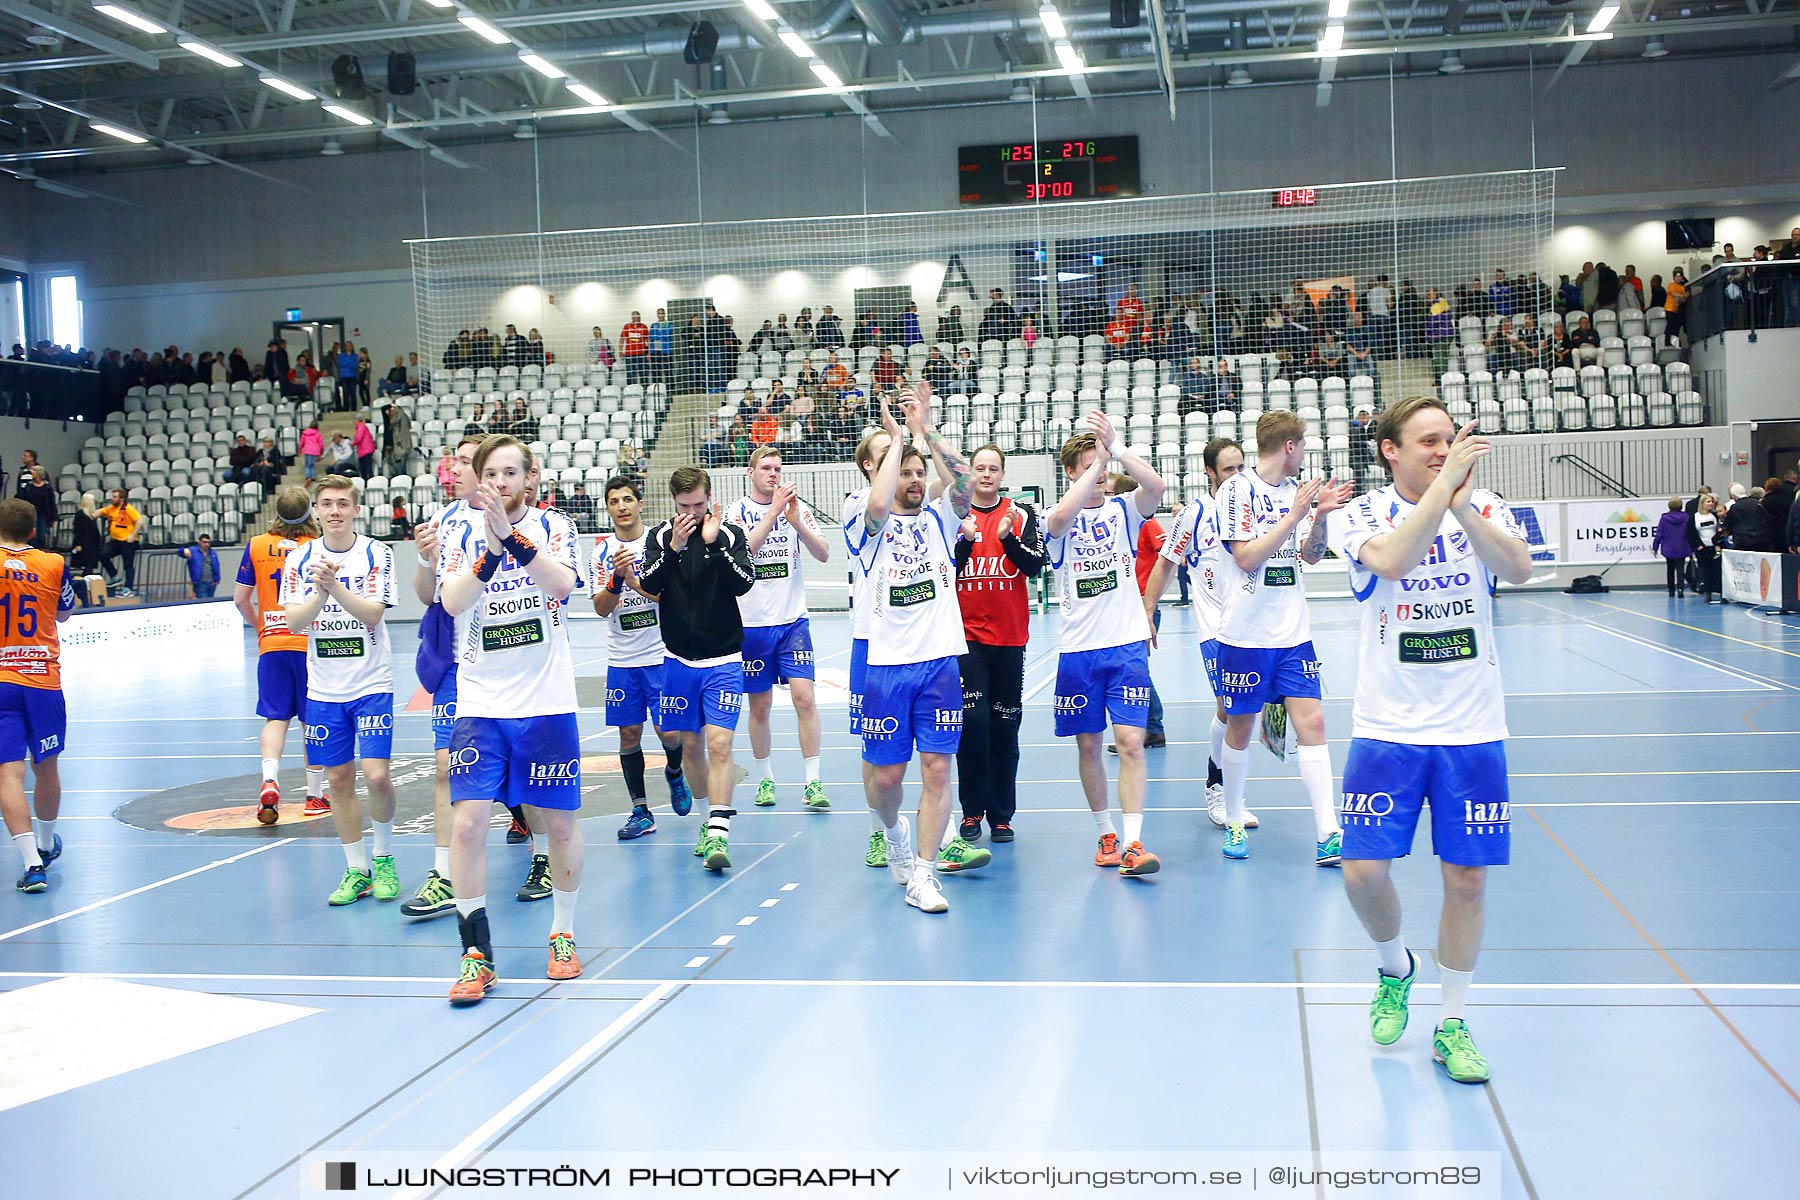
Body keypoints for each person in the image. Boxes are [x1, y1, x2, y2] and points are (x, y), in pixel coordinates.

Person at [1337, 397, 1533, 1086]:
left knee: (1468, 880)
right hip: (1387, 728)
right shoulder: (1358, 513)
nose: (1442, 449)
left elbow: (1519, 569)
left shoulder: (1487, 506)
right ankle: (1396, 968)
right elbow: (1392, 559)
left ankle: (1452, 1023)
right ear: (1390, 449)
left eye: (1449, 440)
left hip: (1472, 729)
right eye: (1427, 441)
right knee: (1362, 873)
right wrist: (1443, 491)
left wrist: (1462, 504)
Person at [436, 435, 587, 1003]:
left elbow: (564, 584)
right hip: (482, 703)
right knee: (469, 824)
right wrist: (492, 549)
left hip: (546, 701)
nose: (499, 482)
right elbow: (451, 601)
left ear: (529, 477)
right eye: (490, 473)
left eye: (509, 472)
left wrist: (514, 540)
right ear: (476, 480)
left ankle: (563, 935)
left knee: (561, 824)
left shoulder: (558, 526)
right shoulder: (458, 529)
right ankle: (476, 953)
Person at [847, 388, 977, 913]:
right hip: (886, 666)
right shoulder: (866, 520)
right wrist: (898, 440)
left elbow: (967, 482)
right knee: (885, 780)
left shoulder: (942, 519)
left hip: (940, 661)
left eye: (920, 472)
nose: (915, 480)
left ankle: (924, 874)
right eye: (905, 471)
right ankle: (894, 833)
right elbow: (879, 503)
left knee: (939, 771)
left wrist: (925, 430)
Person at [1213, 410, 1353, 865]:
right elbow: (1248, 558)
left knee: (1312, 724)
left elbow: (1310, 557)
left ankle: (1328, 832)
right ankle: (1234, 819)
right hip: (1245, 635)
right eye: (1304, 445)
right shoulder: (1236, 490)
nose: (1304, 454)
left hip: (1293, 633)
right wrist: (1295, 516)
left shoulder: (1297, 493)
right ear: (1289, 446)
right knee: (1242, 727)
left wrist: (1320, 519)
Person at [1042, 413, 1166, 878]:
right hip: (1079, 651)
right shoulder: (1056, 519)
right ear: (1071, 471)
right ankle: (1106, 832)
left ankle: (1133, 842)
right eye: (1087, 466)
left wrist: (1117, 449)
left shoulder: (1122, 511)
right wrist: (1097, 465)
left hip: (1125, 645)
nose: (1099, 475)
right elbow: (1057, 518)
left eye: (1102, 466)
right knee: (1089, 747)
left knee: (1131, 742)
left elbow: (1155, 487)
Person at [281, 476, 400, 906]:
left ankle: (384, 855)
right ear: (315, 510)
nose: (334, 511)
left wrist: (336, 586)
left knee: (377, 776)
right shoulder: (299, 559)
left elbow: (372, 614)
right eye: (327, 504)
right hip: (325, 689)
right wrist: (319, 592)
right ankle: (356, 868)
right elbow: (294, 623)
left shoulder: (376, 553)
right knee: (338, 778)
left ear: (356, 509)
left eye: (343, 504)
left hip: (371, 682)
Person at [636, 466, 756, 872]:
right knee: (690, 746)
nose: (693, 511)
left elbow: (744, 583)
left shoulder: (729, 535)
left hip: (723, 658)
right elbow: (650, 584)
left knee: (720, 744)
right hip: (678, 661)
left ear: (709, 500)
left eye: (699, 505)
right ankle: (708, 820)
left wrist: (713, 546)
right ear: (674, 503)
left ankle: (720, 831)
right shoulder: (658, 538)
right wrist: (675, 546)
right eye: (685, 506)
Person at [1140, 437, 1254, 830]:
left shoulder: (1255, 507)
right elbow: (1166, 562)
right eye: (1228, 470)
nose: (1237, 476)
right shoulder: (1195, 514)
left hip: (1254, 628)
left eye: (1241, 467)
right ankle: (1216, 785)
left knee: (1246, 714)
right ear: (1210, 472)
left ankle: (1233, 795)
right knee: (1230, 706)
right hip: (1215, 630)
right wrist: (1149, 607)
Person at [588, 476, 694, 840]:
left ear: (640, 504)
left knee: (670, 732)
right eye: (614, 501)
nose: (621, 506)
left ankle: (675, 771)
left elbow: (671, 597)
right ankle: (640, 810)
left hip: (661, 654)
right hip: (621, 660)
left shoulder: (660, 541)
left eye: (628, 499)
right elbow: (602, 610)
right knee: (629, 734)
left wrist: (634, 578)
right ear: (608, 508)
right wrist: (616, 579)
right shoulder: (601, 552)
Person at [727, 448, 833, 812]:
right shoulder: (735, 512)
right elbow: (743, 553)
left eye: (777, 469)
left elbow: (823, 553)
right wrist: (773, 514)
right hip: (752, 625)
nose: (773, 475)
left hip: (792, 622)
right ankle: (766, 778)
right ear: (750, 471)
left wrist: (796, 520)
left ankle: (813, 781)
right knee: (760, 707)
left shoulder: (795, 509)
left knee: (805, 698)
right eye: (766, 469)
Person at [400, 434, 479, 920]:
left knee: (520, 774)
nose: (459, 470)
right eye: (458, 462)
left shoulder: (523, 519)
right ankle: (443, 875)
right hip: (456, 666)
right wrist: (426, 560)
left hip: (510, 666)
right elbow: (427, 595)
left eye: (469, 462)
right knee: (446, 769)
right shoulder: (443, 522)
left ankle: (541, 860)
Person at [952, 445, 1043, 846]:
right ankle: (972, 809)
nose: (986, 475)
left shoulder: (1021, 514)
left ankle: (1002, 815)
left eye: (993, 469)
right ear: (970, 474)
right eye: (980, 468)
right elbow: (941, 565)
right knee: (973, 724)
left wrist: (1007, 540)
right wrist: (965, 544)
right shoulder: (954, 514)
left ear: (1003, 474)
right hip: (965, 637)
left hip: (1009, 637)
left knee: (1006, 728)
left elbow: (1035, 565)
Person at [235, 487, 327, 823]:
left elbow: (241, 598)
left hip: (271, 643)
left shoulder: (257, 545)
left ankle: (269, 779)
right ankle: (314, 795)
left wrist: (260, 625)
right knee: (311, 720)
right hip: (308, 643)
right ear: (309, 512)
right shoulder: (316, 548)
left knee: (276, 718)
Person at [0, 499, 75, 893]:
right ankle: (46, 844)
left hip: (1, 682)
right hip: (42, 678)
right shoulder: (53, 564)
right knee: (46, 766)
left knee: (7, 773)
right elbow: (64, 613)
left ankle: (33, 864)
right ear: (33, 531)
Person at [842, 426, 896, 869]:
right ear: (868, 465)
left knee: (933, 747)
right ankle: (879, 831)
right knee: (872, 743)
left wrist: (922, 431)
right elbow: (880, 504)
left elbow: (954, 486)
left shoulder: (922, 503)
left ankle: (947, 831)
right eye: (887, 452)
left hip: (918, 642)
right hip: (870, 641)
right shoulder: (858, 504)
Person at [1103, 473, 1168, 750]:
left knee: (1135, 670)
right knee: (1131, 669)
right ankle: (1147, 728)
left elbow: (1169, 553)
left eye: (1109, 493)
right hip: (1125, 604)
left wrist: (1149, 599)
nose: (1105, 498)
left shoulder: (1146, 522)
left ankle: (1151, 727)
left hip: (1143, 604)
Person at [97, 488, 143, 597]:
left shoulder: (128, 509)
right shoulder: (112, 508)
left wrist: (132, 535)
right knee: (102, 554)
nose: (112, 499)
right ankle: (114, 576)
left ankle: (128, 588)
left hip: (128, 541)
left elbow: (140, 521)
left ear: (121, 499)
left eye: (114, 497)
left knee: (128, 565)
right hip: (116, 541)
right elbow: (98, 512)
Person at [1653, 497, 1695, 599]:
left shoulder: (1664, 519)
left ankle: (1671, 590)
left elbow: (1659, 534)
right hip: (1682, 546)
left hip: (1669, 547)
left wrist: (1655, 547)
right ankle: (1680, 589)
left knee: (1670, 569)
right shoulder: (1687, 518)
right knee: (1680, 568)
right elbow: (1691, 533)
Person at [1692, 492, 1722, 604]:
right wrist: (1698, 545)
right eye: (1708, 501)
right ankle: (1708, 592)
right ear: (1702, 503)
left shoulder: (1714, 516)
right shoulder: (1695, 517)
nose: (1710, 504)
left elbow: (1719, 528)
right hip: (1703, 548)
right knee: (1706, 570)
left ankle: (1721, 592)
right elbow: (1691, 533)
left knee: (1717, 569)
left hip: (1715, 547)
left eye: (1712, 502)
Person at [180, 533, 222, 599]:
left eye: (208, 542)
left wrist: (217, 579)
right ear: (199, 542)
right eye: (204, 542)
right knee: (204, 602)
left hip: (212, 583)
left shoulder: (213, 553)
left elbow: (216, 566)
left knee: (210, 601)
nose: (207, 544)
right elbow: (179, 552)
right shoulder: (193, 551)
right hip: (200, 583)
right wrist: (184, 550)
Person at [353, 413, 376, 480]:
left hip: (365, 450)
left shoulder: (361, 427)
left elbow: (358, 438)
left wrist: (352, 443)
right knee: (366, 467)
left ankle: (367, 481)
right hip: (366, 449)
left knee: (365, 468)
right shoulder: (364, 427)